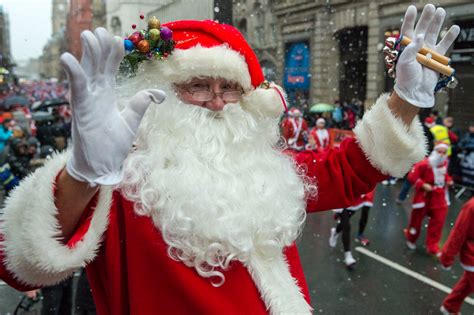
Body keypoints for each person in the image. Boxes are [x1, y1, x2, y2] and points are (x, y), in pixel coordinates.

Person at [0, 5, 460, 314]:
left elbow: (348, 170)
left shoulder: (260, 166)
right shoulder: (121, 175)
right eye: (197, 86)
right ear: (158, 94)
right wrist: (83, 175)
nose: (217, 103)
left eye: (230, 89)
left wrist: (404, 100)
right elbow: (21, 264)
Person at [404, 142, 453, 256]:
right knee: (416, 220)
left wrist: (449, 179)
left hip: (439, 196)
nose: (441, 155)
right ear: (434, 151)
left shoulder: (444, 163)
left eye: (444, 152)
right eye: (439, 152)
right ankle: (411, 238)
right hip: (424, 197)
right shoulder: (424, 164)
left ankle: (432, 246)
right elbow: (411, 176)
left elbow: (444, 175)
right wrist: (422, 184)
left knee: (438, 222)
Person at [439, 198, 474, 315]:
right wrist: (447, 256)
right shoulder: (471, 207)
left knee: (467, 284)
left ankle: (450, 306)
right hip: (472, 256)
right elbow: (458, 233)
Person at [329, 190, 375, 268]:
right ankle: (348, 255)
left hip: (360, 189)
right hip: (344, 190)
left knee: (360, 213)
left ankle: (336, 231)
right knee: (346, 225)